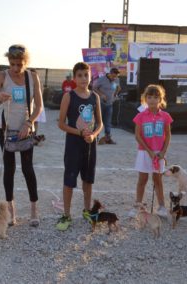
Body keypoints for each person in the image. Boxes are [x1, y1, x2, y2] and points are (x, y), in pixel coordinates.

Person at [0, 44, 43, 227]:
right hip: (6, 129)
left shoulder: (32, 76)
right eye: (12, 64)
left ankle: (34, 210)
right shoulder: (2, 76)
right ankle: (11, 211)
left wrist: (29, 123)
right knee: (9, 170)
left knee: (28, 169)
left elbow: (39, 106)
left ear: (25, 62)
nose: (16, 68)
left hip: (26, 129)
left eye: (19, 64)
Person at [56, 62, 103, 231]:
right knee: (69, 180)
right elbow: (61, 124)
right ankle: (66, 214)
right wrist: (79, 132)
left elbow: (100, 123)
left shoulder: (95, 97)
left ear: (90, 77)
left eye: (86, 75)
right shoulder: (69, 96)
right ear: (74, 78)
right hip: (73, 145)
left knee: (88, 179)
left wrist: (93, 135)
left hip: (90, 145)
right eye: (80, 75)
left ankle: (87, 210)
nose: (84, 78)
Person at [128, 85, 173, 218]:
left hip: (159, 153)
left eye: (156, 97)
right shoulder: (140, 116)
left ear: (161, 99)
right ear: (145, 99)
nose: (152, 100)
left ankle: (162, 206)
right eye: (149, 97)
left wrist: (163, 152)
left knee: (158, 180)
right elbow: (138, 136)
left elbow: (168, 135)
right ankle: (138, 205)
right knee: (142, 179)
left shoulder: (165, 116)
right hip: (144, 153)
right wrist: (148, 151)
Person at [92, 67, 121, 144]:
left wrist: (116, 94)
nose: (114, 78)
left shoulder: (117, 80)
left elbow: (118, 87)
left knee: (108, 122)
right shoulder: (101, 79)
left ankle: (108, 139)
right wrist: (101, 94)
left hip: (109, 104)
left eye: (116, 76)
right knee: (98, 121)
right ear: (110, 73)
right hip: (100, 104)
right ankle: (95, 138)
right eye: (113, 76)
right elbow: (94, 88)